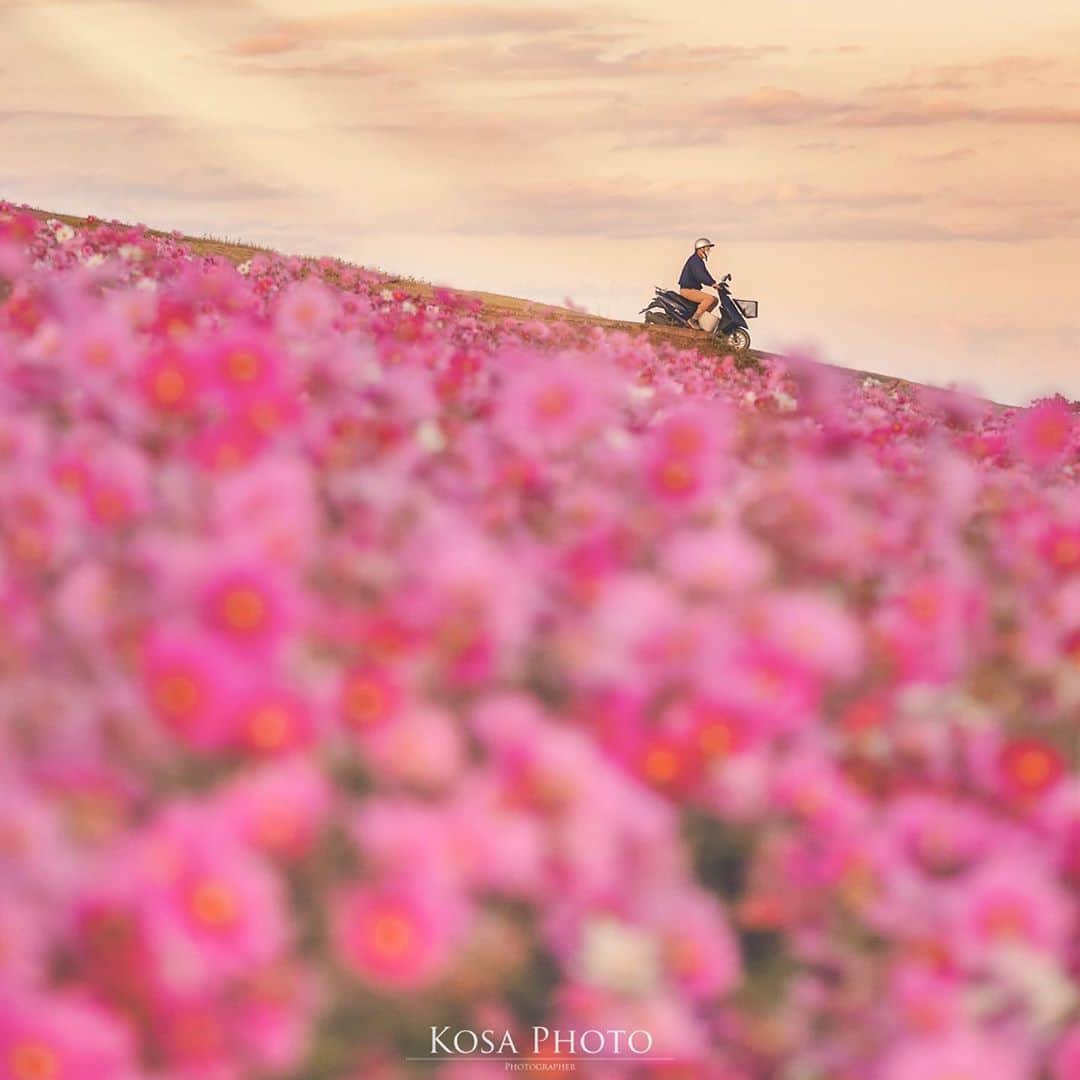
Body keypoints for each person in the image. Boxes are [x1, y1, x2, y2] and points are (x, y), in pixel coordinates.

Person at [678, 238, 718, 330]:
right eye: (707, 248)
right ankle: (693, 319)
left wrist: (714, 283)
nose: (708, 251)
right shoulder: (695, 261)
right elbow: (700, 275)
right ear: (701, 249)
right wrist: (711, 283)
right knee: (709, 299)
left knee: (715, 300)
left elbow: (706, 274)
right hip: (687, 290)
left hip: (693, 289)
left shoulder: (699, 261)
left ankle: (701, 320)